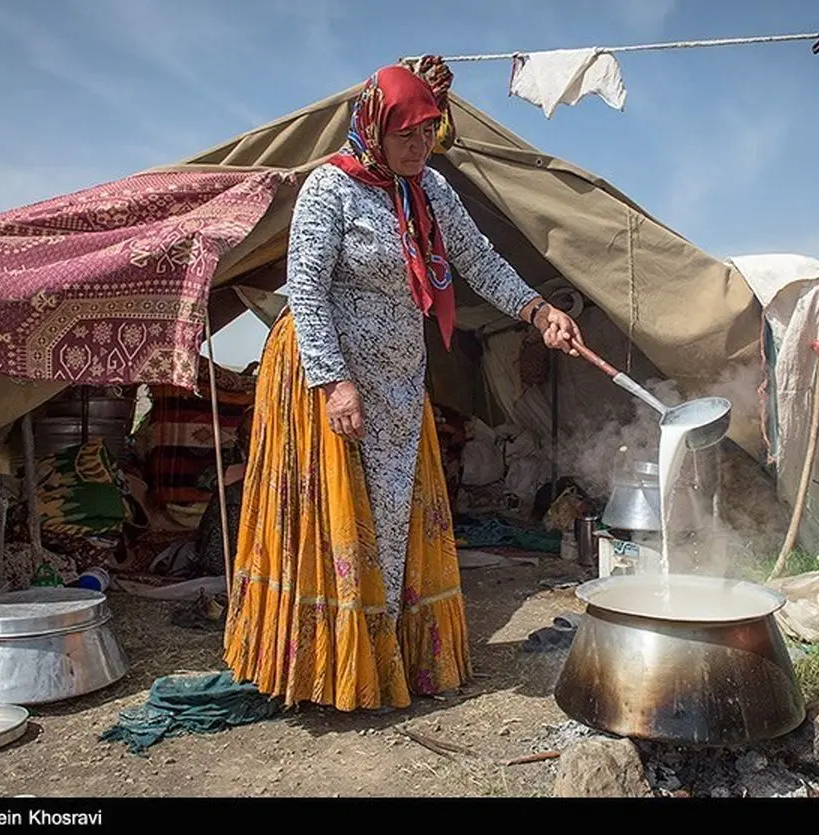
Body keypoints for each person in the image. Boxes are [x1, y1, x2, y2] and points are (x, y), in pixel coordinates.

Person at [223, 58, 583, 712]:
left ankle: (380, 663)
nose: (421, 146)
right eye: (408, 134)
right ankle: (325, 671)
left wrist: (537, 311)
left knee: (389, 517)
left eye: (429, 132)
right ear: (374, 128)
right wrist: (334, 382)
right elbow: (304, 288)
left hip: (396, 377)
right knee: (336, 520)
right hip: (324, 374)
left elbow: (479, 261)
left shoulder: (429, 190)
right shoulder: (329, 189)